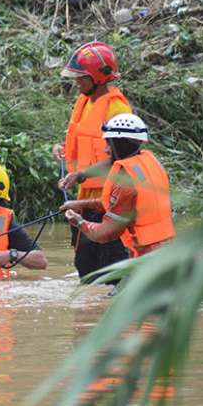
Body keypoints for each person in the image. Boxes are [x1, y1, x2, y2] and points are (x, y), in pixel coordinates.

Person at [54, 41, 132, 278]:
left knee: (111, 266)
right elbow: (83, 140)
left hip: (110, 197)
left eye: (81, 78)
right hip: (85, 197)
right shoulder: (85, 100)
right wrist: (62, 147)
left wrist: (80, 175)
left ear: (98, 77)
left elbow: (122, 157)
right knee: (85, 267)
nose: (76, 83)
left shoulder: (117, 109)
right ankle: (89, 313)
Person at [62, 114, 175, 258]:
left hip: (147, 259)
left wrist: (78, 221)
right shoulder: (148, 164)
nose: (106, 150)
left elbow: (104, 234)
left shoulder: (126, 182)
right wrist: (80, 204)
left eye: (109, 143)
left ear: (120, 143)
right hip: (167, 249)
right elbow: (122, 203)